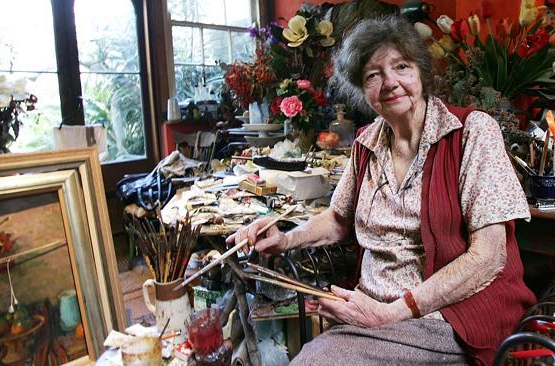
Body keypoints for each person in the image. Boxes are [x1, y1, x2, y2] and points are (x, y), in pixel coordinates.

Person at [227, 15, 536, 366]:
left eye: (401, 66)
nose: (390, 82)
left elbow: (488, 256)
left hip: (448, 316)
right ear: (362, 90)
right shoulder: (368, 143)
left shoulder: (472, 132)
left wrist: (391, 313)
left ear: (420, 71)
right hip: (372, 310)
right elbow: (338, 218)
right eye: (373, 75)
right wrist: (285, 239)